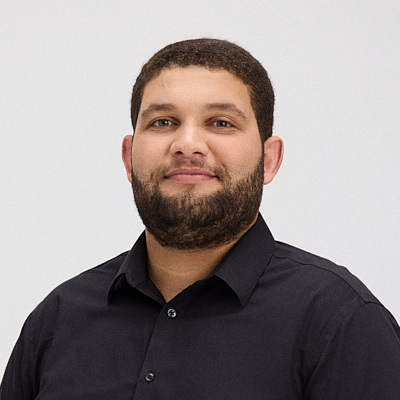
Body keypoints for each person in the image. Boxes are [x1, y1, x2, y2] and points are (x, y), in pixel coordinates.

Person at [1, 38, 399, 400]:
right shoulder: (57, 319)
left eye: (221, 123)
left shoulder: (342, 323)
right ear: (129, 157)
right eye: (163, 122)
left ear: (269, 160)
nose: (187, 144)